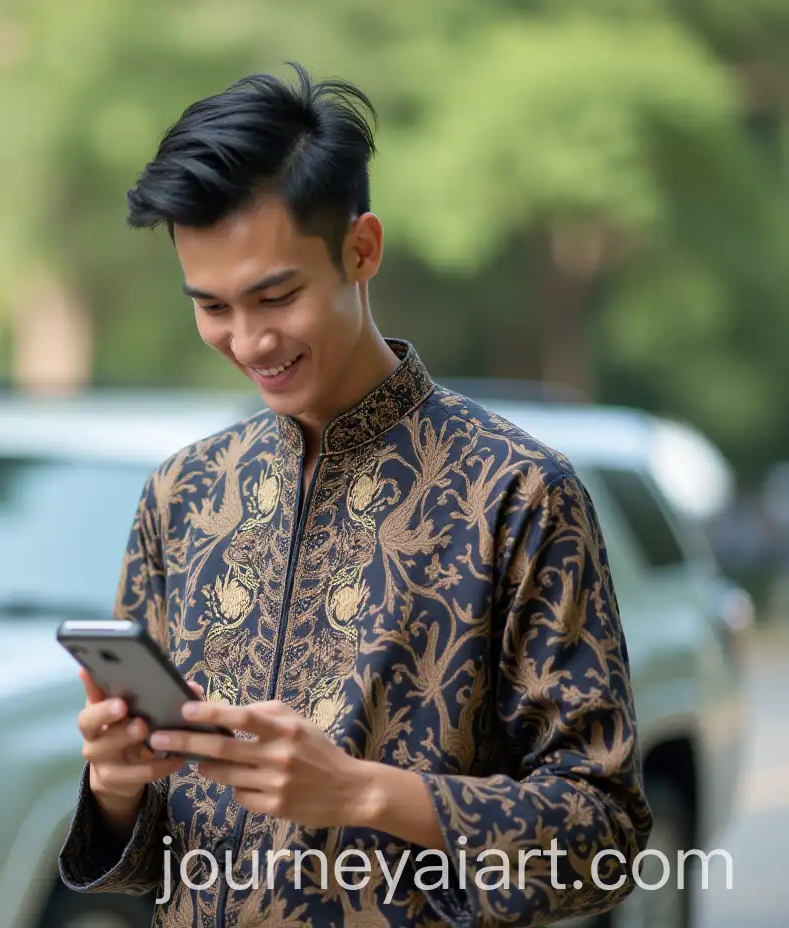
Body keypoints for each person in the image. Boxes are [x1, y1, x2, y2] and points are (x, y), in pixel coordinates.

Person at [58, 61, 653, 927]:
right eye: (213, 306)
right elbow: (152, 855)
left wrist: (362, 794)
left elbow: (604, 836)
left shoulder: (518, 492)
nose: (249, 340)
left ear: (361, 249)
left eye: (277, 295)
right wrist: (114, 786)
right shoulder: (182, 496)